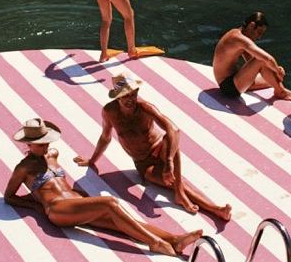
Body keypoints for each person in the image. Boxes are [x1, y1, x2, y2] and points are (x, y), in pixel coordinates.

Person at [4, 117, 203, 257]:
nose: (45, 146)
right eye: (39, 144)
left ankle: (174, 239)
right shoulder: (23, 168)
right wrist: (36, 206)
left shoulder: (53, 154)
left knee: (122, 221)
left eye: (46, 142)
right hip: (57, 209)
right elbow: (9, 196)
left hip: (76, 203)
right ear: (28, 145)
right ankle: (155, 243)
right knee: (110, 203)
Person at [75, 72, 232, 220]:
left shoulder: (145, 108)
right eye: (125, 96)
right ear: (117, 97)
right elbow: (105, 137)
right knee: (170, 181)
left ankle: (202, 202)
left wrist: (169, 161)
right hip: (144, 163)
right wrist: (92, 160)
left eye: (133, 94)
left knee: (171, 139)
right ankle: (207, 205)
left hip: (161, 150)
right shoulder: (109, 112)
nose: (130, 99)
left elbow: (174, 129)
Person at [212, 12, 291, 101]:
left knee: (273, 78)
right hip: (228, 87)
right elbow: (266, 58)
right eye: (259, 32)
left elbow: (251, 60)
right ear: (251, 25)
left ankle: (280, 90)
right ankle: (280, 92)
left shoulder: (240, 35)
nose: (259, 37)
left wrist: (275, 72)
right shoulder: (237, 38)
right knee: (262, 60)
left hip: (235, 81)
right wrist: (277, 70)